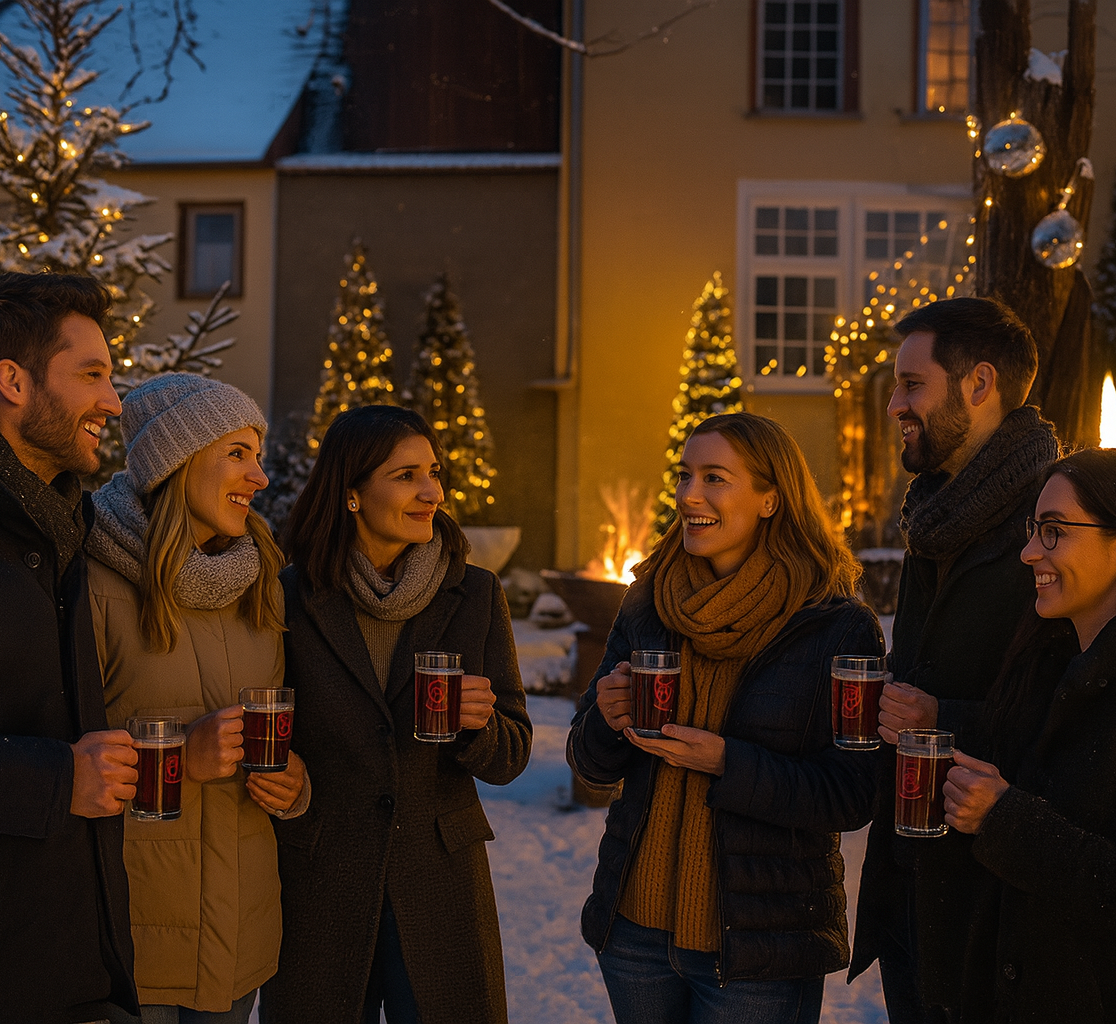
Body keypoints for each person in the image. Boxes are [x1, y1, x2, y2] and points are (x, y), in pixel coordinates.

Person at [568, 412, 884, 1024]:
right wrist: (604, 720)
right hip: (635, 933)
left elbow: (852, 793)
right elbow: (589, 762)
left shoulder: (835, 626)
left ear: (771, 498)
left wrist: (726, 763)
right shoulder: (649, 602)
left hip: (757, 950)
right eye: (685, 476)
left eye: (715, 478)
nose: (690, 495)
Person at [259, 405, 531, 1024]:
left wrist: (480, 726)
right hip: (321, 882)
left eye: (432, 473)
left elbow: (512, 752)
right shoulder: (289, 598)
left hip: (441, 883)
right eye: (406, 475)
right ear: (352, 493)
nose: (431, 491)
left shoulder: (477, 593)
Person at [849, 296, 1060, 1023]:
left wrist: (942, 719)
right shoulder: (934, 516)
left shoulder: (1057, 525)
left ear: (978, 384)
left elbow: (1071, 712)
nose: (894, 406)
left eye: (912, 385)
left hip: (992, 905)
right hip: (911, 880)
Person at [86, 373, 307, 1023]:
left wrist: (296, 787)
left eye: (258, 455)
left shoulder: (261, 582)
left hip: (241, 936)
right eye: (236, 454)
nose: (259, 478)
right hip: (136, 946)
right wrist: (183, 756)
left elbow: (292, 743)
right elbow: (58, 767)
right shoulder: (93, 583)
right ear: (177, 462)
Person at [0, 271, 139, 1023]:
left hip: (82, 977)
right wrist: (58, 780)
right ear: (12, 381)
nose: (113, 403)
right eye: (91, 375)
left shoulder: (64, 536)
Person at [943, 449, 1116, 1023]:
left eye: (1055, 532)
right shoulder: (1049, 663)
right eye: (1032, 530)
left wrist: (1003, 818)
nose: (1028, 552)